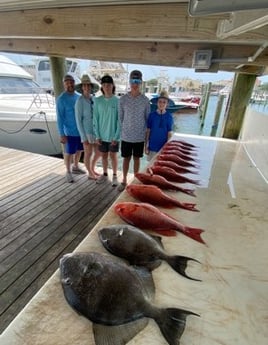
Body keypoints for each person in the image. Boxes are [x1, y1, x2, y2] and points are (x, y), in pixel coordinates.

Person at [118, 70, 150, 191]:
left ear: (141, 82)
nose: (134, 84)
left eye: (137, 81)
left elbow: (147, 119)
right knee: (126, 158)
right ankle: (124, 180)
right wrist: (124, 130)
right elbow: (120, 118)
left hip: (139, 137)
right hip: (126, 136)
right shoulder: (123, 99)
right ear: (129, 82)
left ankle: (136, 180)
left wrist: (146, 140)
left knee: (137, 159)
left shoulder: (145, 100)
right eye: (132, 81)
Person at [56, 74, 86, 183]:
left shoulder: (79, 96)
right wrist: (61, 133)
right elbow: (60, 118)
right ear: (64, 84)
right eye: (67, 82)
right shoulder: (61, 99)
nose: (70, 84)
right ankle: (68, 171)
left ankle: (76, 167)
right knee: (68, 153)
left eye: (71, 81)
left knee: (79, 150)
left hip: (80, 131)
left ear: (74, 83)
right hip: (69, 132)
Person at [93, 75, 120, 187]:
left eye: (109, 85)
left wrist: (116, 136)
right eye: (104, 85)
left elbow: (120, 121)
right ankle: (104, 175)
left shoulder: (118, 101)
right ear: (102, 87)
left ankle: (114, 176)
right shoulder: (97, 101)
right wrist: (97, 135)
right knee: (104, 155)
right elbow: (95, 119)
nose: (106, 87)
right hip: (101, 136)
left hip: (114, 136)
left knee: (113, 156)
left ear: (112, 86)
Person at [75, 74, 101, 180]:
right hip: (87, 132)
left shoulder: (94, 99)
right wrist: (83, 137)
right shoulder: (79, 101)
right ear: (82, 87)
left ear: (91, 87)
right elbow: (78, 120)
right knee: (88, 153)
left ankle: (92, 168)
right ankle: (90, 173)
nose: (86, 87)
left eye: (88, 85)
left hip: (96, 132)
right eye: (84, 85)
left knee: (98, 152)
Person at [145, 90, 174, 161]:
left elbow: (169, 133)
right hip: (152, 147)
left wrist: (167, 149)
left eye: (164, 102)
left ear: (167, 104)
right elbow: (148, 131)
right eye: (160, 102)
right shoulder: (152, 115)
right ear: (157, 103)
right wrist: (146, 145)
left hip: (163, 148)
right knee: (150, 167)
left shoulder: (169, 117)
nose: (162, 104)